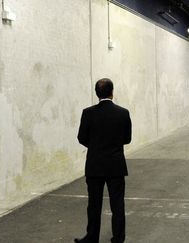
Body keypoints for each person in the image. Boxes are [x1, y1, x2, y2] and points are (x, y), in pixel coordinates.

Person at [75, 78, 132, 243]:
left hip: (94, 165)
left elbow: (81, 138)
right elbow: (127, 139)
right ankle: (118, 238)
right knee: (117, 204)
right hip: (116, 165)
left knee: (93, 204)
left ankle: (91, 237)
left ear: (96, 93)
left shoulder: (88, 113)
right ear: (112, 93)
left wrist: (95, 146)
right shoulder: (123, 113)